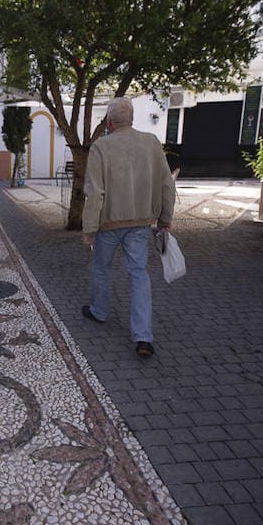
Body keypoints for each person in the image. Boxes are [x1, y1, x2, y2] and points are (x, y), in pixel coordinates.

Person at [81, 97, 176, 357]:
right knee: (139, 275)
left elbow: (95, 192)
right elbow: (167, 184)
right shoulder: (152, 143)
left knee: (102, 267)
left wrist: (89, 228)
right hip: (140, 223)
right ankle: (143, 337)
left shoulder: (101, 146)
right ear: (131, 119)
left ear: (109, 122)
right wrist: (165, 219)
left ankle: (99, 311)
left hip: (108, 224)